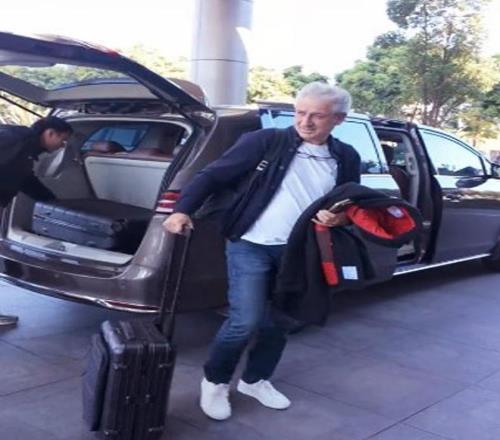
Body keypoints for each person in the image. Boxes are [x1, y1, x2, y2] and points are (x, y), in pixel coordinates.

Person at [163, 82, 361, 420]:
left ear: (338, 119)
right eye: (300, 112)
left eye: (317, 115)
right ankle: (215, 381)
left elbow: (350, 203)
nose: (306, 122)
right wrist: (182, 210)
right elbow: (212, 176)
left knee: (281, 320)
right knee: (245, 320)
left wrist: (340, 217)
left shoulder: (345, 156)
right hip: (250, 244)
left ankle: (255, 380)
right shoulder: (266, 141)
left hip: (300, 252)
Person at [0, 116, 73, 327]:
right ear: (50, 133)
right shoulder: (15, 138)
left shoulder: (26, 148)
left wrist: (52, 203)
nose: (62, 145)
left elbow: (25, 180)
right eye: (62, 139)